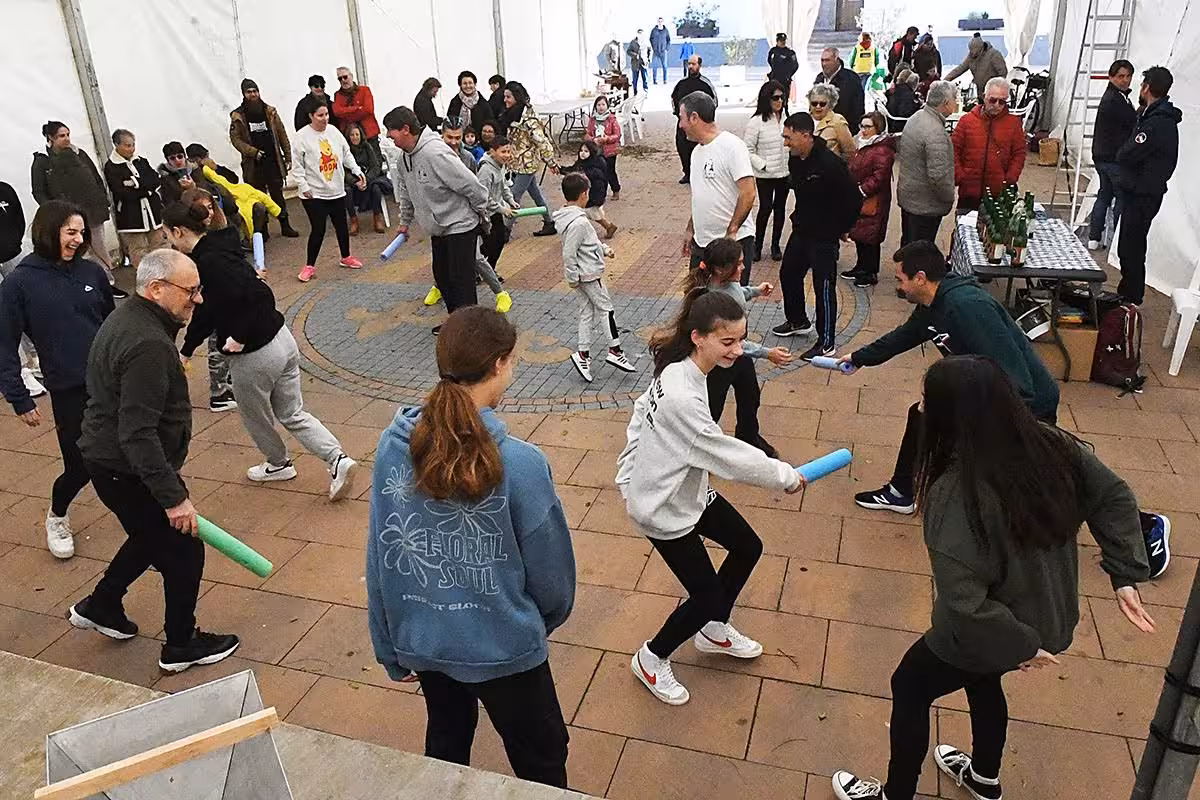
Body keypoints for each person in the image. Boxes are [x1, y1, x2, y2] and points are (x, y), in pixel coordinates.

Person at [831, 354, 1157, 800]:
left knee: (909, 684)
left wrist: (1022, 645)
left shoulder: (954, 494)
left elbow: (965, 604)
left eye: (928, 401)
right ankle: (984, 779)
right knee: (984, 678)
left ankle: (896, 795)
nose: (920, 409)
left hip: (1004, 629)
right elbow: (1115, 495)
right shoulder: (1049, 443)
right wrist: (1125, 575)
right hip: (1046, 617)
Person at [367, 306, 575, 787]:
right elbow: (553, 580)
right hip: (506, 648)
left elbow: (381, 554)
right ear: (500, 363)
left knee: (445, 743)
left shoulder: (392, 445)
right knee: (542, 758)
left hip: (427, 640)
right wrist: (527, 624)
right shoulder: (521, 464)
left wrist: (390, 642)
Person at [617, 289, 805, 705]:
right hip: (663, 511)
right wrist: (784, 476)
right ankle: (651, 657)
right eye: (728, 342)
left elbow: (640, 412)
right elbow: (725, 453)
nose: (738, 350)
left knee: (747, 547)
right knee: (706, 595)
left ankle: (713, 628)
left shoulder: (681, 370)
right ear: (698, 337)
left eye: (741, 340)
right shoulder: (682, 391)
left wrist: (630, 467)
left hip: (688, 493)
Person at [69, 249, 240, 673]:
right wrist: (174, 498)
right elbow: (138, 433)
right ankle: (180, 644)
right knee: (184, 553)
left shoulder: (132, 318)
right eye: (190, 290)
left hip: (108, 460)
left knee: (148, 538)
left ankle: (102, 605)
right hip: (125, 467)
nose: (197, 299)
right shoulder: (147, 343)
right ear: (156, 288)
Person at [165, 201, 358, 500]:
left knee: (255, 415)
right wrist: (188, 349)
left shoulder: (209, 262)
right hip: (282, 340)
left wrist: (238, 337)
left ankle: (278, 463)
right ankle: (337, 459)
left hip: (255, 355)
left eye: (168, 236)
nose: (169, 243)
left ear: (178, 232)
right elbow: (211, 310)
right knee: (293, 412)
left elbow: (258, 295)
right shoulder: (225, 247)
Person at [0, 200, 114, 559]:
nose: (79, 240)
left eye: (81, 233)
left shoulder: (92, 273)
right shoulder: (20, 283)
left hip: (111, 380)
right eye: (71, 232)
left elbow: (114, 326)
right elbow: (4, 342)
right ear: (49, 232)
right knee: (80, 466)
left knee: (132, 447)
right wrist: (18, 396)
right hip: (69, 389)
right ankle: (57, 516)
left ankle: (147, 509)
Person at [385, 106, 490, 334]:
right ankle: (456, 322)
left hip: (460, 224)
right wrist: (404, 222)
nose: (387, 137)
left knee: (461, 280)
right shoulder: (404, 159)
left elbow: (472, 186)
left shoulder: (435, 153)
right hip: (437, 228)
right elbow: (406, 192)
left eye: (390, 132)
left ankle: (470, 330)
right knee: (443, 278)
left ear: (405, 130)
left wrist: (482, 214)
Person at [688, 237, 792, 456]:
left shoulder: (727, 284)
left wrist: (755, 291)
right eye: (739, 263)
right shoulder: (717, 302)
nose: (743, 267)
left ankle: (748, 435)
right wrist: (767, 353)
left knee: (750, 395)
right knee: (712, 407)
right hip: (719, 361)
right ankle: (700, 447)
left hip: (738, 356)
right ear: (719, 269)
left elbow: (738, 291)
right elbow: (735, 343)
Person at [772, 112, 861, 361]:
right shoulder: (796, 160)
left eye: (789, 137)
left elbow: (854, 199)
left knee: (823, 287)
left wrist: (843, 227)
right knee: (788, 273)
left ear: (806, 135)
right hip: (802, 230)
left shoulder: (831, 164)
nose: (785, 142)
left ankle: (827, 342)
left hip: (824, 237)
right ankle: (798, 320)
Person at [552, 172, 636, 384]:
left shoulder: (571, 218)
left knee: (586, 312)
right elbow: (569, 252)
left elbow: (586, 243)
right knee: (606, 310)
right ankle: (614, 349)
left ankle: (583, 354)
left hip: (584, 272)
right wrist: (572, 277)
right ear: (584, 194)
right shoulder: (579, 222)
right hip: (588, 274)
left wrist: (604, 249)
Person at [31, 121, 122, 295]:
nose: (66, 139)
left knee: (99, 247)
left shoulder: (79, 154)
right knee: (75, 249)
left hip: (92, 210)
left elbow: (96, 178)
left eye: (67, 134)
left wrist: (102, 200)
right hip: (65, 217)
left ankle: (106, 283)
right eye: (61, 136)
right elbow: (39, 191)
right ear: (50, 138)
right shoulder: (42, 161)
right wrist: (54, 212)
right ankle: (80, 285)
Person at [1116, 66, 1180, 307]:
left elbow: (1128, 152)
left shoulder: (1156, 124)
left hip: (1142, 192)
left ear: (1147, 88)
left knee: (1131, 246)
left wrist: (1125, 155)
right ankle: (1129, 291)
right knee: (1130, 244)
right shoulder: (1152, 117)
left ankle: (1131, 297)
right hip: (1142, 189)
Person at [677, 92, 756, 286]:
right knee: (697, 301)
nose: (680, 125)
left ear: (694, 117)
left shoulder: (732, 146)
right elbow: (701, 196)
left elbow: (748, 193)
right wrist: (690, 229)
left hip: (731, 243)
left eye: (681, 118)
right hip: (702, 243)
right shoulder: (696, 153)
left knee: (729, 307)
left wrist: (732, 231)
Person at [438, 118, 512, 313]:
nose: (454, 142)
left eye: (458, 137)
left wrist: (486, 211)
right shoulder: (434, 156)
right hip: (442, 218)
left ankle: (499, 292)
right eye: (449, 137)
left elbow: (476, 189)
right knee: (446, 260)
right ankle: (439, 287)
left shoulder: (469, 159)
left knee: (475, 257)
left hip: (466, 217)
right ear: (441, 135)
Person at [291, 98, 366, 282]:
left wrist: (356, 170)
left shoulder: (334, 132)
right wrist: (303, 185)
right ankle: (309, 265)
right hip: (314, 193)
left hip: (336, 189)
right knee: (319, 228)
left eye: (326, 114)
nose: (324, 119)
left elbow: (346, 153)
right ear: (311, 116)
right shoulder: (301, 137)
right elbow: (297, 166)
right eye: (320, 115)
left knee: (341, 224)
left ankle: (346, 256)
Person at [176, 187, 237, 413]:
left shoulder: (223, 235)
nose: (208, 214)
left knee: (226, 343)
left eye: (211, 207)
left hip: (227, 303)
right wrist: (187, 348)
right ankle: (219, 393)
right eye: (202, 209)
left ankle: (227, 386)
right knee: (217, 344)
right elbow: (204, 305)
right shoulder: (199, 253)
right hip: (214, 306)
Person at [229, 80, 300, 238]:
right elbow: (236, 140)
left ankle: (285, 225)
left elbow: (282, 134)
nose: (253, 94)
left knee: (278, 196)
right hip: (253, 164)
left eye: (255, 91)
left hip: (273, 161)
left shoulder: (270, 111)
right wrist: (253, 152)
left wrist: (287, 157)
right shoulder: (238, 116)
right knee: (257, 197)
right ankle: (263, 230)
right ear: (243, 94)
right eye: (249, 92)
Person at [951, 76, 1025, 213]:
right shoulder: (967, 121)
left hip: (999, 193)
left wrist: (1009, 178)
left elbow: (1019, 154)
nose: (997, 105)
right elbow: (953, 150)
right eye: (993, 100)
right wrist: (960, 175)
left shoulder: (1014, 124)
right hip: (969, 191)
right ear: (984, 97)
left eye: (1002, 102)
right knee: (964, 229)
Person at [896, 80, 957, 246]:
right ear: (945, 103)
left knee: (908, 242)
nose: (956, 103)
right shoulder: (935, 132)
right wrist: (948, 198)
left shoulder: (916, 117)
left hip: (909, 196)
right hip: (925, 205)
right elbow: (938, 176)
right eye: (954, 100)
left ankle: (903, 270)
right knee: (920, 250)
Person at [187, 143, 281, 248]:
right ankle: (242, 240)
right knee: (237, 214)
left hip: (235, 197)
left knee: (259, 206)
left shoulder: (212, 168)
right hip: (221, 202)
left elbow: (234, 179)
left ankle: (257, 235)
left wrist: (217, 168)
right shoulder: (194, 175)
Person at [841, 111, 897, 287]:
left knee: (871, 237)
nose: (863, 130)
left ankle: (870, 272)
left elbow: (879, 177)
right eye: (862, 126)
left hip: (874, 201)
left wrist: (861, 190)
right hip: (860, 197)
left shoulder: (882, 150)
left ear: (877, 128)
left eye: (867, 127)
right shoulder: (864, 146)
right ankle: (860, 266)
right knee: (860, 233)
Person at [0, 182, 45, 399]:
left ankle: (38, 358)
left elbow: (18, 219)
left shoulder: (5, 189)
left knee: (27, 305)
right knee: (3, 315)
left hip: (11, 255)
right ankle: (20, 370)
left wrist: (13, 243)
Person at [1087, 59, 1136, 250]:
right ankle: (1117, 240)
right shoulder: (1115, 100)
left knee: (1104, 195)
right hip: (1113, 159)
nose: (1125, 80)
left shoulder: (1114, 97)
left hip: (1102, 156)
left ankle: (1094, 237)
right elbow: (1129, 125)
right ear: (1111, 77)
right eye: (1121, 76)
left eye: (1128, 76)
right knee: (1121, 198)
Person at [498, 82, 558, 236]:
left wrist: (551, 162)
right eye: (505, 97)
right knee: (536, 194)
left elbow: (542, 142)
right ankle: (549, 222)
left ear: (517, 97)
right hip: (517, 163)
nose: (505, 100)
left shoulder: (529, 120)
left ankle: (505, 230)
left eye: (508, 97)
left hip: (527, 164)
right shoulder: (512, 114)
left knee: (514, 196)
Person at [103, 129, 166, 267]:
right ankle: (145, 276)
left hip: (152, 212)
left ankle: (164, 272)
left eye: (133, 144)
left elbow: (155, 180)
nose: (131, 149)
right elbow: (121, 192)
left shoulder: (141, 161)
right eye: (127, 145)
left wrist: (135, 183)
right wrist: (147, 190)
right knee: (138, 249)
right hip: (131, 215)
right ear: (116, 145)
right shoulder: (111, 167)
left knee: (159, 244)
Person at [743, 81, 790, 262]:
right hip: (765, 175)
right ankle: (758, 245)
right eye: (775, 98)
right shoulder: (756, 122)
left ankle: (775, 245)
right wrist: (762, 165)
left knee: (780, 210)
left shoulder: (787, 118)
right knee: (765, 209)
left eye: (782, 97)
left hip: (784, 174)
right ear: (766, 99)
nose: (780, 101)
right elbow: (747, 148)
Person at [477, 136, 519, 282]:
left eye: (508, 151)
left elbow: (504, 185)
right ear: (492, 152)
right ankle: (475, 266)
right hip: (484, 214)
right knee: (488, 244)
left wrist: (511, 200)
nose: (507, 155)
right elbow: (483, 197)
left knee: (500, 240)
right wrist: (503, 209)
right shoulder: (485, 170)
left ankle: (489, 269)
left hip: (495, 210)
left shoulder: (500, 166)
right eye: (503, 152)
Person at [671, 56, 718, 184]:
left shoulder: (705, 84)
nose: (691, 66)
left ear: (699, 65)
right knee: (682, 146)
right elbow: (674, 99)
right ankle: (687, 172)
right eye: (689, 64)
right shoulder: (681, 84)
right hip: (684, 123)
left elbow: (714, 102)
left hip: (700, 124)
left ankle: (702, 173)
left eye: (693, 64)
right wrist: (680, 116)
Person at [561, 141, 617, 239]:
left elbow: (600, 186)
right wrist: (561, 169)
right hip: (584, 196)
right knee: (591, 214)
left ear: (592, 152)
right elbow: (573, 171)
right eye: (581, 151)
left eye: (586, 151)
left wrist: (596, 199)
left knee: (592, 214)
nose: (582, 153)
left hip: (591, 197)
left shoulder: (595, 169)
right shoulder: (582, 164)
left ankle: (608, 227)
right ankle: (607, 227)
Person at [344, 122, 391, 235]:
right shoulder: (345, 151)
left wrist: (366, 179)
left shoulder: (367, 147)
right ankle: (354, 219)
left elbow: (375, 166)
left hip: (368, 180)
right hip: (353, 182)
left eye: (357, 134)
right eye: (352, 135)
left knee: (376, 188)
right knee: (347, 191)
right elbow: (343, 171)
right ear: (348, 137)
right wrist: (355, 182)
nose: (355, 137)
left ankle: (377, 216)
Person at [333, 66, 383, 162]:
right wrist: (357, 108)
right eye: (340, 78)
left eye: (345, 77)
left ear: (351, 76)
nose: (343, 80)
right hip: (351, 138)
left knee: (376, 161)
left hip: (369, 134)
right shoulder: (338, 95)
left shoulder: (365, 90)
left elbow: (368, 110)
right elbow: (337, 112)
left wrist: (347, 113)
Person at [815, 48, 866, 135]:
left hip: (845, 128)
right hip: (824, 128)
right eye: (822, 60)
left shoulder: (851, 79)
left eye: (827, 60)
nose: (824, 64)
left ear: (837, 60)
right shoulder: (820, 78)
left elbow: (858, 107)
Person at [945, 33, 1008, 100]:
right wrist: (946, 80)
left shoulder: (994, 54)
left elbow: (1003, 73)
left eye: (975, 52)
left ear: (981, 48)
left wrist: (998, 89)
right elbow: (960, 69)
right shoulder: (971, 57)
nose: (973, 54)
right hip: (979, 93)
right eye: (971, 51)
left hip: (993, 94)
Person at [585, 95, 622, 200]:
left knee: (610, 171)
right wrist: (593, 140)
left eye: (603, 104)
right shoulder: (592, 119)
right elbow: (587, 134)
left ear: (607, 106)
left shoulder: (612, 119)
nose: (601, 107)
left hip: (609, 152)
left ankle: (615, 189)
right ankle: (602, 194)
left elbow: (617, 135)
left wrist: (607, 139)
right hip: (596, 151)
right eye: (598, 105)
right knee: (599, 173)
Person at [808, 84, 857, 160]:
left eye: (822, 104)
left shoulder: (838, 121)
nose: (818, 106)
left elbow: (851, 152)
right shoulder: (804, 119)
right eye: (814, 103)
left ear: (831, 105)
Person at [446, 70, 495, 138]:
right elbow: (450, 122)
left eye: (470, 83)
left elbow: (490, 122)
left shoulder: (483, 103)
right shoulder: (455, 102)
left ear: (475, 84)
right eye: (465, 83)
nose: (468, 86)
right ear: (460, 85)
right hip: (458, 140)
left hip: (479, 141)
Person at [767, 33, 799, 97]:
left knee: (784, 97)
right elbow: (769, 61)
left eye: (784, 40)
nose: (783, 42)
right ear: (777, 41)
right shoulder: (773, 51)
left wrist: (789, 75)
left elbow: (795, 65)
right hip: (774, 78)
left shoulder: (790, 52)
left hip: (785, 79)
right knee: (773, 96)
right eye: (781, 40)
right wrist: (774, 70)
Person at [627, 29, 649, 95]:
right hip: (635, 62)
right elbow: (628, 51)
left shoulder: (646, 41)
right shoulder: (633, 42)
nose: (640, 35)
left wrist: (648, 59)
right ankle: (635, 90)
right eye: (639, 33)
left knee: (645, 77)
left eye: (641, 33)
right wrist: (634, 55)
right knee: (635, 78)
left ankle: (646, 90)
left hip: (644, 62)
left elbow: (650, 50)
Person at [650, 17, 671, 85]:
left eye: (661, 21)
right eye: (659, 21)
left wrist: (666, 49)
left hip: (663, 51)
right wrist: (654, 47)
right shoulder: (654, 30)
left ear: (663, 22)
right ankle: (654, 80)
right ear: (657, 22)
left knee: (665, 66)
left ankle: (665, 80)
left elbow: (668, 40)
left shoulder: (666, 31)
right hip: (656, 51)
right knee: (654, 66)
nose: (660, 22)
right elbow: (651, 39)